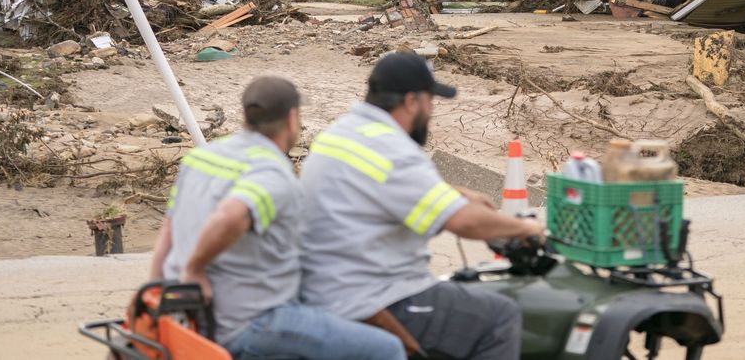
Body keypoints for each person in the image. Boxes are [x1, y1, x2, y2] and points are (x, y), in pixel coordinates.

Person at [300, 53, 545, 360]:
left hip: (323, 286)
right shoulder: (394, 148)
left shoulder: (343, 132)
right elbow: (464, 223)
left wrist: (453, 191)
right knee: (499, 316)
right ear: (412, 101)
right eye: (431, 101)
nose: (431, 111)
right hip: (371, 296)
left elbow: (378, 183)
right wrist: (526, 227)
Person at [149, 76, 404, 360]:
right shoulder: (272, 174)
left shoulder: (201, 157)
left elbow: (167, 235)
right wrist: (195, 269)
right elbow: (231, 215)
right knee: (387, 349)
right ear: (292, 118)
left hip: (191, 321)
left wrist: (158, 302)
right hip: (251, 323)